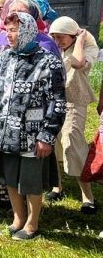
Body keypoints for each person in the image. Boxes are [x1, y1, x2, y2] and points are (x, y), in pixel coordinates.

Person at [0, 12, 66, 240]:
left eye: (14, 30)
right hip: (5, 132)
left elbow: (57, 102)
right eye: (7, 30)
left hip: (33, 134)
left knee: (30, 181)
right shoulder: (2, 59)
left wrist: (47, 136)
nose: (9, 35)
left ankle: (32, 223)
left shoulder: (48, 62)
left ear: (28, 31)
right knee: (9, 177)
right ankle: (17, 218)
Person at [48, 16, 99, 213]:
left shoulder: (87, 46)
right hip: (54, 100)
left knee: (73, 142)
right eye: (54, 37)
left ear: (72, 34)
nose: (58, 41)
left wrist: (79, 40)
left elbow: (77, 63)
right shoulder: (56, 47)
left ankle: (88, 196)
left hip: (75, 101)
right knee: (53, 142)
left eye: (61, 37)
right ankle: (56, 186)